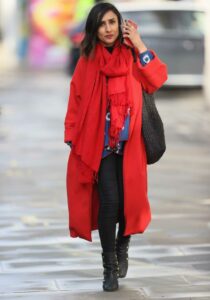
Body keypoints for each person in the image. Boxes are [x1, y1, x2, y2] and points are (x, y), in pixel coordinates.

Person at [64, 2, 167, 292]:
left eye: (112, 22)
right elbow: (77, 97)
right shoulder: (88, 58)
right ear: (94, 28)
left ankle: (124, 244)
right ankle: (109, 266)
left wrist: (139, 42)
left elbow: (157, 78)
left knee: (128, 203)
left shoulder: (133, 54)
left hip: (131, 142)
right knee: (109, 202)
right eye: (102, 23)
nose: (108, 29)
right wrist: (71, 133)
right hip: (101, 143)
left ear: (119, 24)